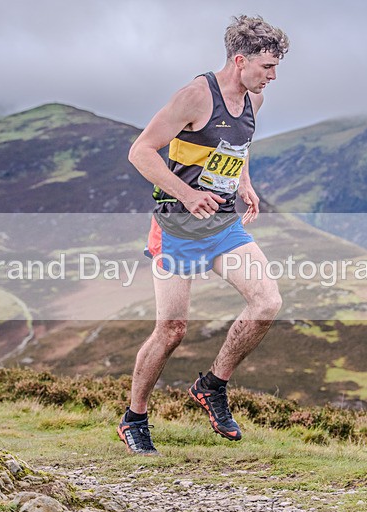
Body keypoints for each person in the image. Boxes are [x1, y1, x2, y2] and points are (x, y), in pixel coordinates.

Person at [118, 15, 289, 454]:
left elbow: (238, 145)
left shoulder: (254, 99)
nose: (273, 76)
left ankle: (212, 385)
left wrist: (245, 183)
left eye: (275, 67)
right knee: (171, 331)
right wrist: (188, 194)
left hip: (223, 226)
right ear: (240, 60)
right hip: (175, 226)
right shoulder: (195, 96)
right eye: (267, 67)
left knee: (267, 303)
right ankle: (135, 418)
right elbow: (140, 151)